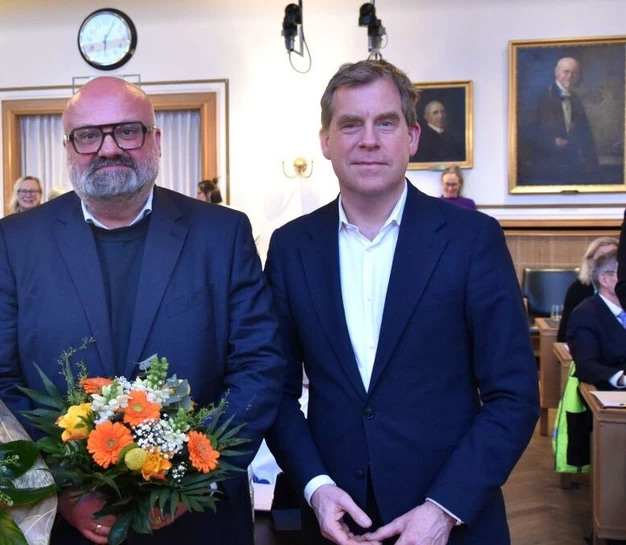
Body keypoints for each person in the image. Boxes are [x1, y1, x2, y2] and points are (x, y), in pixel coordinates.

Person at [0, 76, 283, 545]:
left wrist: (191, 476)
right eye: (89, 135)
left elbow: (259, 365)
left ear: (155, 140)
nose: (108, 148)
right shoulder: (18, 241)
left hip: (198, 519)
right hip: (66, 523)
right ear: (69, 148)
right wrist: (63, 485)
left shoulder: (222, 234)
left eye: (127, 131)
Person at [264, 60, 539, 545]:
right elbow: (276, 390)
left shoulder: (472, 239)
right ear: (326, 140)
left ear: (412, 137)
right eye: (350, 124)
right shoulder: (291, 247)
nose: (368, 139)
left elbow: (513, 395)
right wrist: (316, 487)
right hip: (335, 522)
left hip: (454, 519)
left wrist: (444, 509)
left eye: (385, 122)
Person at [529, 57, 599, 184]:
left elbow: (586, 134)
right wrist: (551, 141)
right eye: (566, 71)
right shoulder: (541, 97)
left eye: (574, 72)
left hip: (572, 165)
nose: (570, 76)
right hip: (546, 165)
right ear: (556, 72)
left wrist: (592, 165)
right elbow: (528, 131)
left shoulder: (576, 100)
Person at [567, 251, 626, 390]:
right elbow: (586, 365)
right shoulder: (585, 314)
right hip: (610, 394)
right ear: (604, 280)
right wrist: (621, 378)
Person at [558, 236, 618, 342]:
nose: (608, 262)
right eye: (603, 257)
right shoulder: (577, 289)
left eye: (613, 256)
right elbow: (565, 333)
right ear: (590, 262)